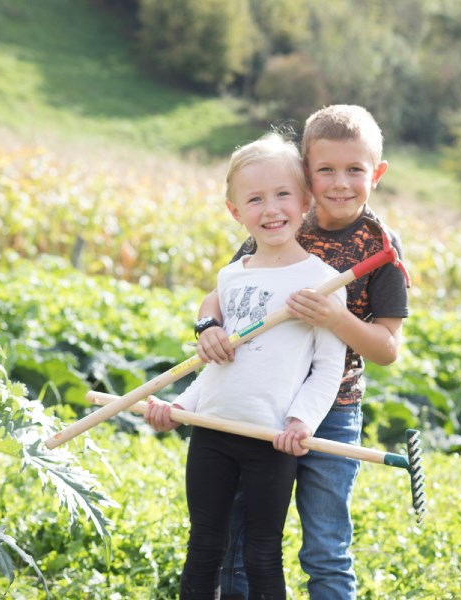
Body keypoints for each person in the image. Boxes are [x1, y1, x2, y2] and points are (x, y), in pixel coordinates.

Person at [195, 105, 410, 599]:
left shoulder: (380, 246)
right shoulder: (283, 219)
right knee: (242, 536)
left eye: (355, 170)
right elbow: (227, 289)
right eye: (326, 170)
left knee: (325, 546)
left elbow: (387, 349)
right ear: (306, 179)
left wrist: (335, 316)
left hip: (333, 409)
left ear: (376, 174)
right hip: (261, 403)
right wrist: (208, 323)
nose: (340, 183)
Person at [144, 132, 347, 599]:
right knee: (204, 546)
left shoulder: (321, 282)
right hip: (211, 430)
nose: (271, 209)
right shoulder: (230, 277)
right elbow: (218, 365)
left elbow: (327, 368)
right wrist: (177, 407)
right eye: (255, 199)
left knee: (260, 553)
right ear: (236, 211)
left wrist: (301, 421)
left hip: (270, 439)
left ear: (305, 201)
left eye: (282, 195)